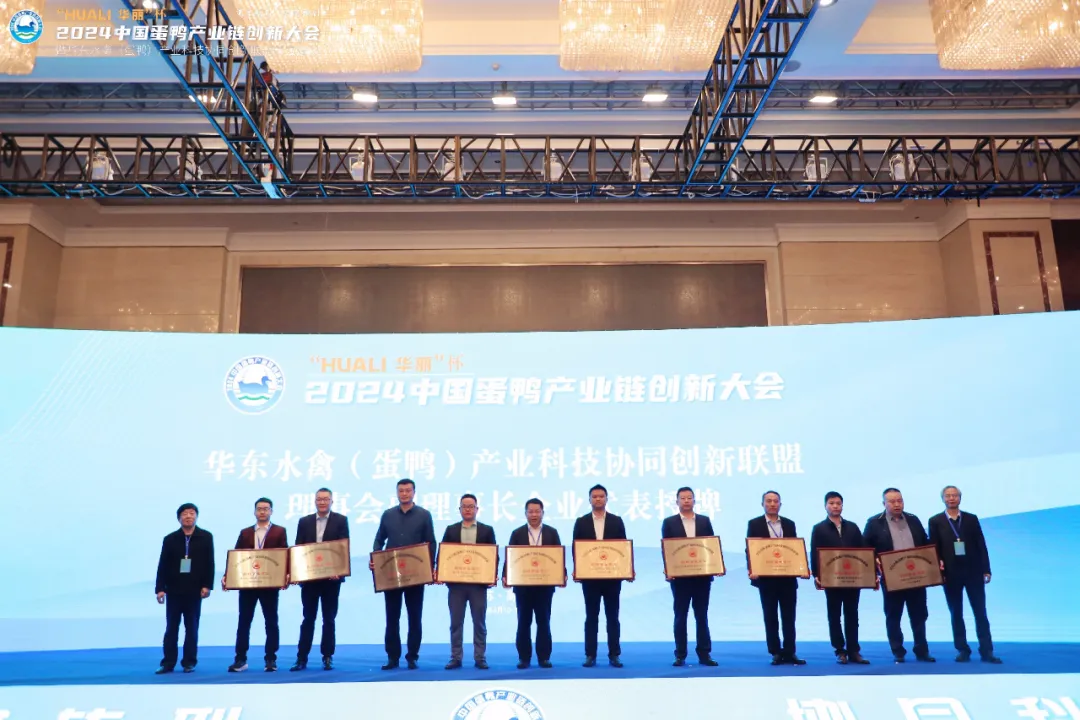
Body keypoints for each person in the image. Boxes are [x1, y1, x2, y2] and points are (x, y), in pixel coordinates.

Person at [928, 485, 1001, 664]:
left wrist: (986, 569)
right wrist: (937, 569)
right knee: (956, 613)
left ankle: (987, 650)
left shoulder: (971, 518)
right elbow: (933, 548)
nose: (952, 498)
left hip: (973, 572)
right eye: (948, 495)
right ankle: (962, 650)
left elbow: (981, 544)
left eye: (955, 495)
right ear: (943, 499)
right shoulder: (935, 521)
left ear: (960, 498)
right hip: (950, 573)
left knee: (980, 612)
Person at [863, 487, 935, 663]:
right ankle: (898, 651)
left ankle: (922, 650)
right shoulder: (874, 523)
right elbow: (865, 549)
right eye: (892, 501)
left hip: (916, 576)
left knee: (919, 614)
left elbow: (925, 544)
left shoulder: (913, 519)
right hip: (891, 578)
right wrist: (875, 561)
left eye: (900, 500)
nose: (897, 504)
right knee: (893, 615)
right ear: (884, 503)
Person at [371, 478, 437, 670]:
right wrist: (376, 557)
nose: (405, 494)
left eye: (408, 490)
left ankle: (412, 656)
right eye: (401, 490)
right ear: (397, 493)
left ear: (414, 492)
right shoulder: (388, 515)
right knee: (392, 617)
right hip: (392, 574)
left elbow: (430, 542)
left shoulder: (424, 515)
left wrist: (430, 567)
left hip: (416, 575)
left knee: (414, 617)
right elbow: (379, 539)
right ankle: (393, 657)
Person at [223, 497, 289, 673]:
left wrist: (285, 576)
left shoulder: (279, 531)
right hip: (248, 584)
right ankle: (240, 659)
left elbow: (285, 556)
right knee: (244, 621)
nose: (262, 511)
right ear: (254, 512)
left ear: (271, 512)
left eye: (266, 509)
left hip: (270, 584)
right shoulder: (245, 533)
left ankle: (271, 659)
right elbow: (236, 557)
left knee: (271, 621)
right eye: (259, 509)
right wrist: (227, 577)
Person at [291, 487, 349, 671]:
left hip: (331, 580)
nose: (322, 502)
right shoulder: (304, 522)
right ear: (315, 501)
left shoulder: (341, 520)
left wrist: (339, 571)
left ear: (332, 501)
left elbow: (342, 548)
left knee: (329, 619)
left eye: (326, 499)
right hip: (309, 579)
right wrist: (296, 573)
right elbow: (299, 548)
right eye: (319, 499)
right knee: (308, 618)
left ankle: (327, 656)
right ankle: (302, 658)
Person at [810, 491, 871, 665]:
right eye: (831, 503)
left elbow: (863, 552)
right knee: (834, 615)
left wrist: (869, 574)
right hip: (831, 580)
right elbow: (815, 553)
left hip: (853, 579)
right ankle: (840, 650)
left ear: (842, 506)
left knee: (852, 615)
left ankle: (854, 651)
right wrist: (817, 575)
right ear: (825, 506)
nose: (835, 506)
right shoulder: (819, 528)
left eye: (838, 503)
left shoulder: (852, 527)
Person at [572, 484, 628, 668]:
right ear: (589, 500)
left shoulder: (616, 521)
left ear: (606, 499)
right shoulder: (581, 522)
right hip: (590, 578)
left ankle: (614, 654)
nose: (598, 499)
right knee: (591, 617)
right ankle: (590, 655)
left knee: (613, 617)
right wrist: (578, 569)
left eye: (601, 496)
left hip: (612, 578)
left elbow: (623, 548)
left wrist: (626, 569)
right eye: (594, 496)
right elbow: (576, 548)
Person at [660, 487, 718, 667]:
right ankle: (680, 654)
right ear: (677, 501)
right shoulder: (669, 522)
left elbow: (711, 547)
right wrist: (669, 570)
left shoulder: (704, 521)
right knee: (680, 616)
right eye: (683, 498)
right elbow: (667, 549)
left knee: (702, 616)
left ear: (694, 501)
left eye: (689, 498)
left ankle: (704, 654)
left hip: (702, 577)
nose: (686, 501)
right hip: (680, 578)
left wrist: (715, 566)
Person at [746, 490, 805, 665]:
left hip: (787, 578)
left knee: (789, 617)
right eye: (769, 501)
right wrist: (752, 569)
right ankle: (775, 652)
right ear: (762, 504)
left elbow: (795, 550)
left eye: (775, 501)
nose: (772, 504)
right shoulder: (754, 524)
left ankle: (790, 652)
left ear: (780, 504)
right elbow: (750, 549)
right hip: (766, 579)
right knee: (770, 616)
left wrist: (801, 568)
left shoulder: (789, 524)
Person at [155, 502, 214, 674]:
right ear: (179, 518)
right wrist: (160, 588)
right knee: (171, 628)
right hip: (174, 590)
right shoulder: (170, 539)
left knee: (192, 627)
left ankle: (189, 662)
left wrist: (207, 585)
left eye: (191, 513)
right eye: (185, 514)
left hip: (195, 590)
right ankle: (168, 663)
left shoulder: (206, 537)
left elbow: (210, 562)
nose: (188, 516)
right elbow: (162, 565)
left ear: (196, 516)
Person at [439, 493, 496, 670]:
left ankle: (480, 657)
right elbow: (444, 555)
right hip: (456, 585)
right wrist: (440, 573)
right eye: (465, 506)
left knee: (479, 623)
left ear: (477, 509)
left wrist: (492, 574)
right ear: (460, 509)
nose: (468, 509)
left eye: (471, 506)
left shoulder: (487, 530)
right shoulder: (451, 530)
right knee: (456, 623)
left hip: (478, 585)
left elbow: (493, 555)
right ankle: (456, 657)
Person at [506, 498, 563, 669]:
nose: (534, 514)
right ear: (525, 513)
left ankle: (544, 657)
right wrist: (506, 576)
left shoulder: (552, 533)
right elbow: (511, 558)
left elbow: (558, 557)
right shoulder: (517, 533)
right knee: (523, 622)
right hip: (523, 587)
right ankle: (524, 658)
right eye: (530, 511)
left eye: (537, 511)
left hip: (545, 586)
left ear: (543, 513)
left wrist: (562, 575)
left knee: (543, 621)